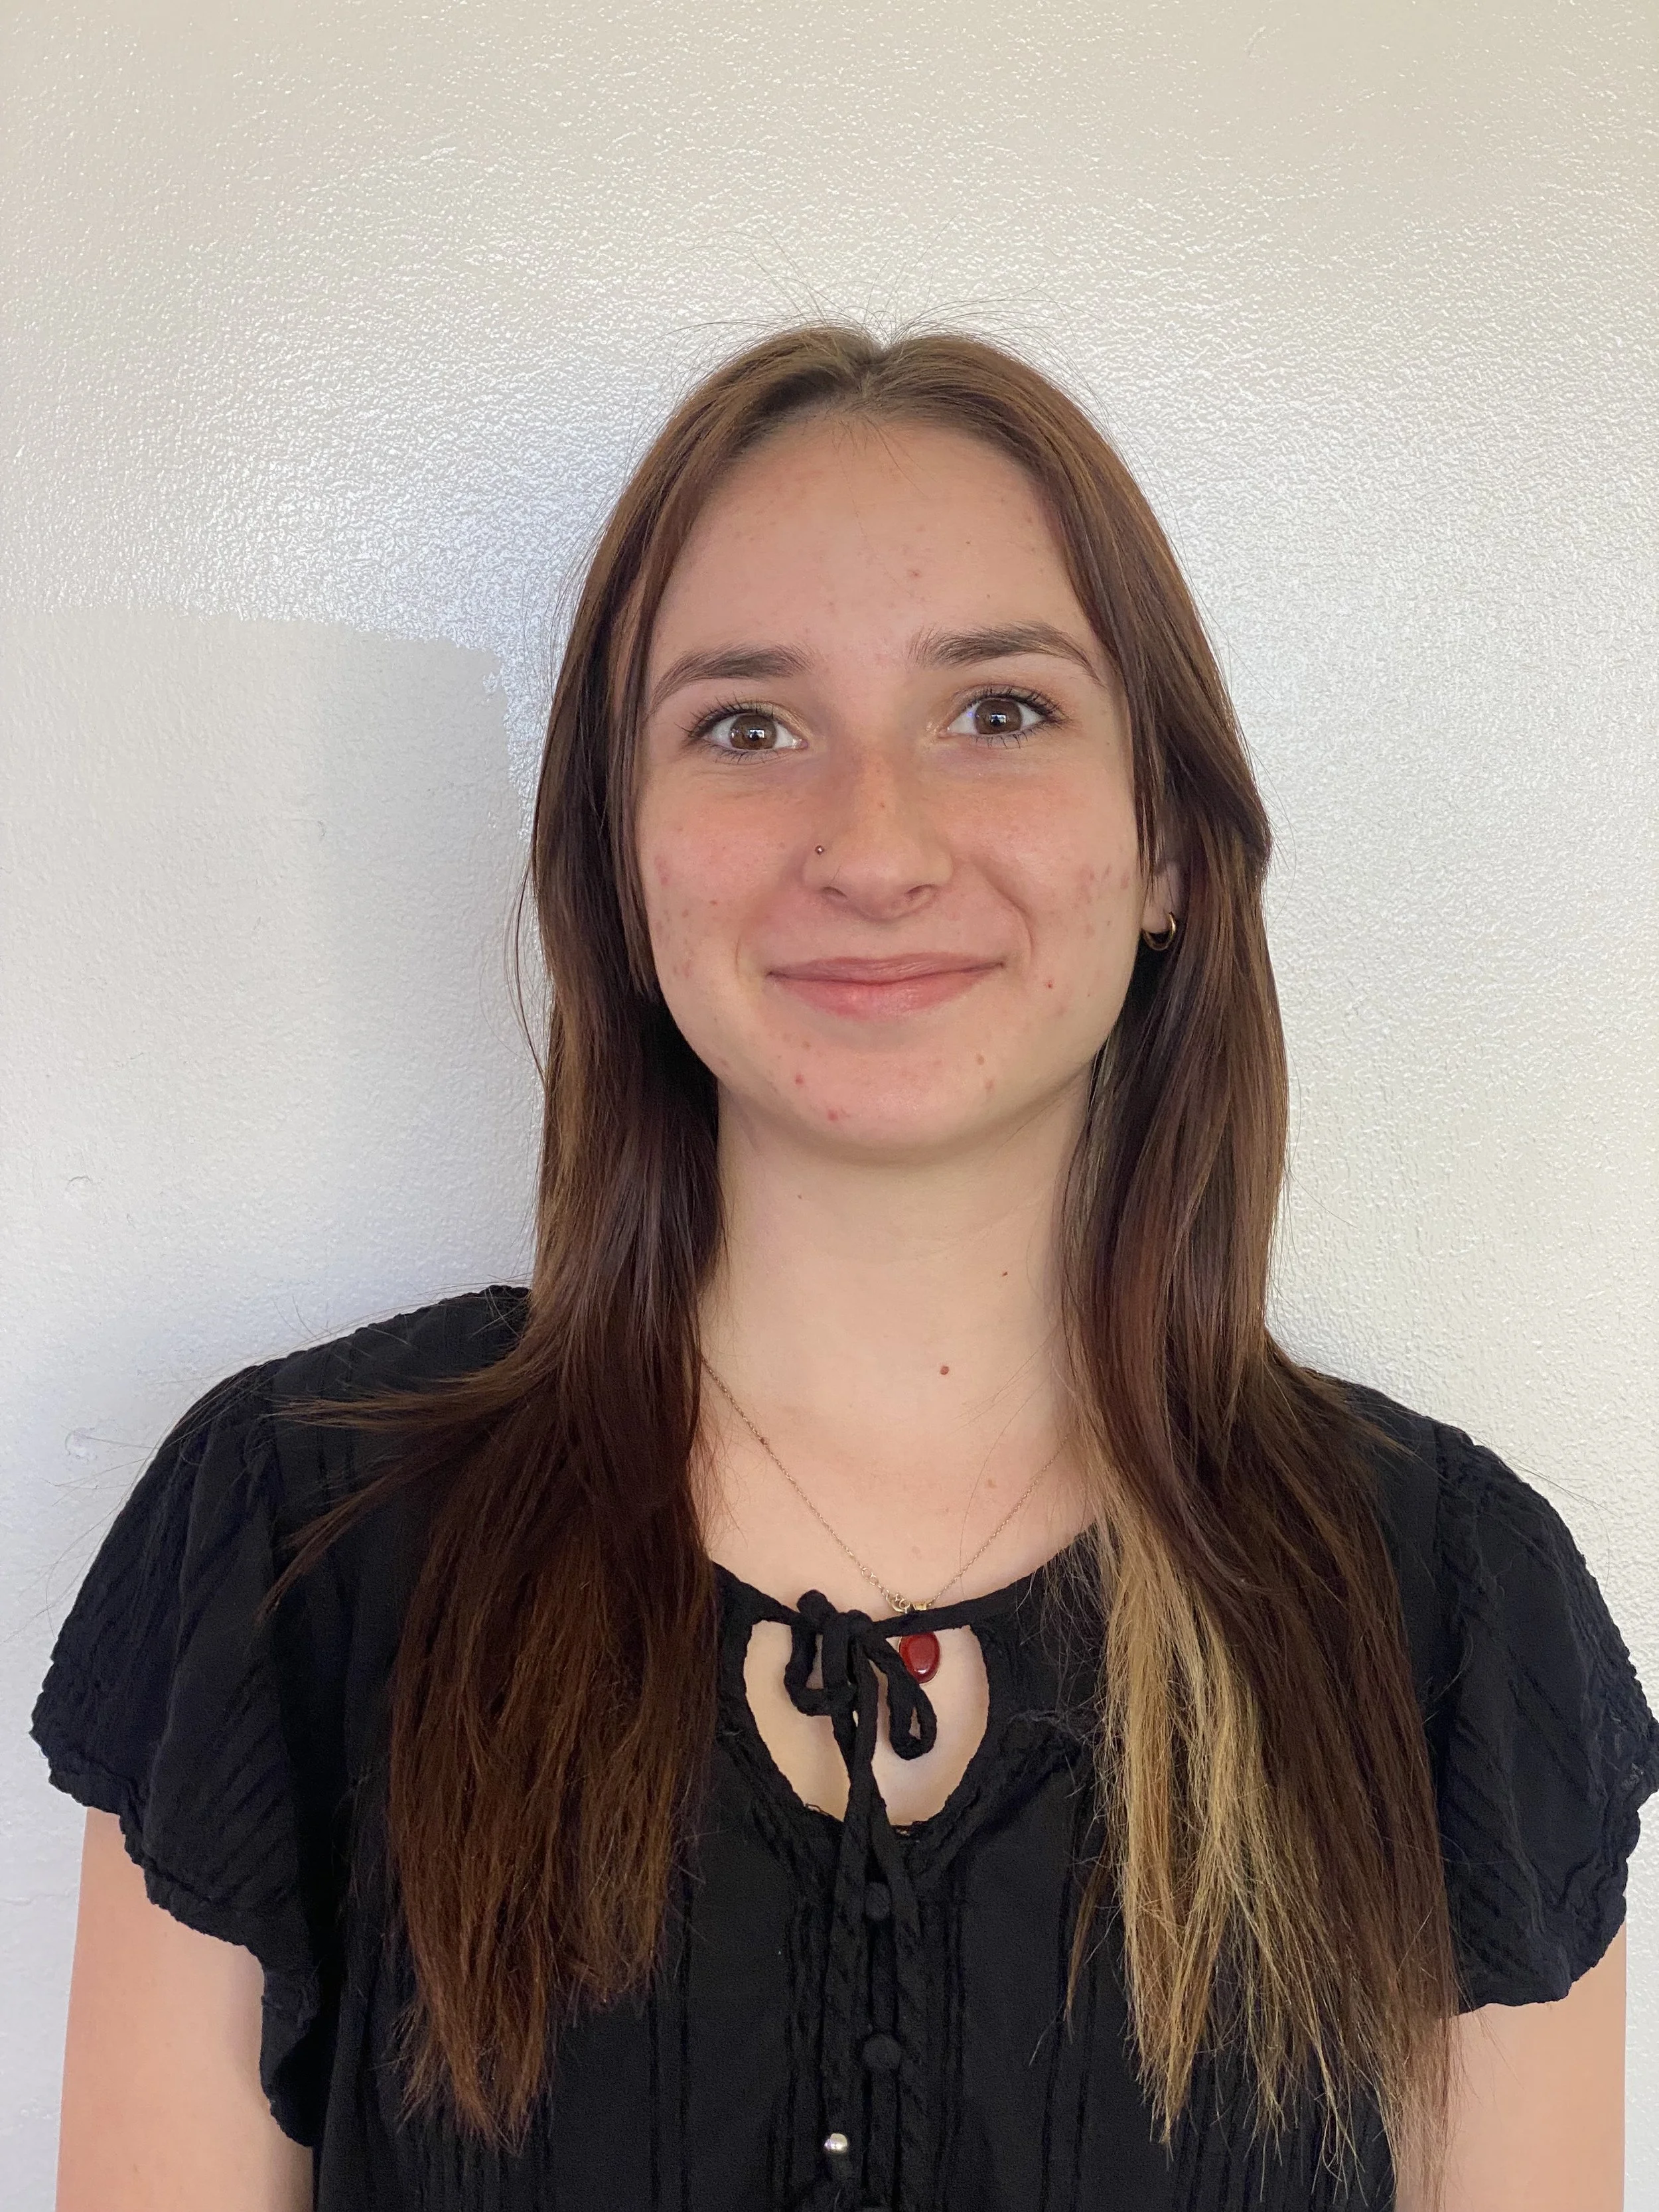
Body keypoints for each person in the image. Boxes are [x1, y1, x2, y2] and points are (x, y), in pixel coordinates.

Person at [34, 326, 1658, 2212]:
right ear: (622, 863)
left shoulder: (1451, 1616)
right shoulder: (289, 1539)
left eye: (998, 710)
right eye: (746, 724)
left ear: (1166, 850)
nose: (872, 843)